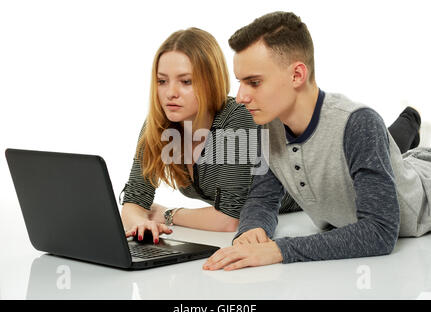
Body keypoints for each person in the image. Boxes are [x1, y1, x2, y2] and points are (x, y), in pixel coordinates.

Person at [120, 26, 419, 245]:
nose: (170, 93)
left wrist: (168, 214)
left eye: (185, 81)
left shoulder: (236, 118)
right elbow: (134, 200)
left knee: (388, 150)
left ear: (210, 81)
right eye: (162, 81)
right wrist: (141, 226)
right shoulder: (159, 124)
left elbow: (229, 220)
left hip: (306, 189)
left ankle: (410, 120)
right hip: (278, 186)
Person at [202, 11, 427, 271]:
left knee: (374, 140)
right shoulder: (266, 126)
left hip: (424, 188)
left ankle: (412, 118)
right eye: (240, 82)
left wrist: (279, 250)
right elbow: (262, 198)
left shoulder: (359, 123)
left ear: (297, 75)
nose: (240, 97)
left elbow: (379, 231)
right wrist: (252, 229)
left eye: (254, 82)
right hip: (370, 152)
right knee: (379, 149)